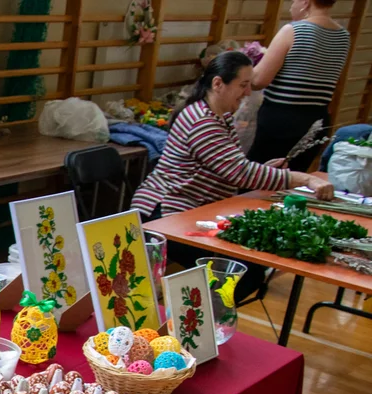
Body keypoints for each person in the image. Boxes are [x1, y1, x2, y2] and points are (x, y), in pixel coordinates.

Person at [132, 52, 333, 303]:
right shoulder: (202, 122)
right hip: (166, 215)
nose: (248, 92)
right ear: (218, 84)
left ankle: (194, 316)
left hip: (192, 212)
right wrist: (306, 179)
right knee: (242, 274)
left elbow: (235, 167)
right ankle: (190, 318)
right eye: (243, 85)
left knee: (246, 269)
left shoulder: (220, 117)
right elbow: (240, 172)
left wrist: (265, 169)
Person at [250, 0, 350, 172]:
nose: (291, 6)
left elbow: (259, 80)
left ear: (305, 2)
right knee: (292, 180)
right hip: (316, 120)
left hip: (281, 119)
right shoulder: (343, 36)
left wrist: (241, 69)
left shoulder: (293, 30)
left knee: (260, 178)